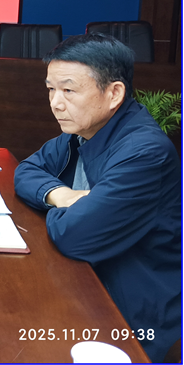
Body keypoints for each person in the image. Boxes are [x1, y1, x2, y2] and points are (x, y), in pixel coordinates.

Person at [14, 33, 180, 362]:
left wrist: (68, 213)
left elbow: (74, 235)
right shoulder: (85, 130)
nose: (55, 103)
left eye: (69, 90)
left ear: (114, 93)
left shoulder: (145, 152)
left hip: (133, 315)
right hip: (86, 282)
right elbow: (26, 170)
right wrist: (61, 195)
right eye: (51, 89)